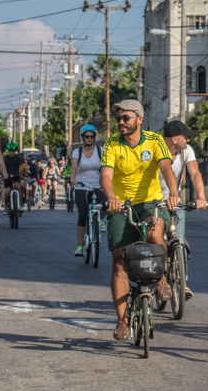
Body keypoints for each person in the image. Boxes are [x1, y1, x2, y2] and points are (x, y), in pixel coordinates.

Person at [99, 100, 180, 341]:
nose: (121, 122)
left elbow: (166, 168)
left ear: (139, 119)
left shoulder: (155, 141)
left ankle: (161, 278)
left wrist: (174, 194)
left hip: (150, 202)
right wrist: (111, 197)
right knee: (119, 260)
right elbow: (105, 174)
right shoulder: (112, 145)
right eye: (119, 118)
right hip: (121, 205)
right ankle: (122, 321)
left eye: (126, 117)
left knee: (156, 232)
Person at [160, 120, 208, 300]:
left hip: (176, 200)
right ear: (174, 139)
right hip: (154, 200)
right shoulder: (156, 150)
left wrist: (201, 196)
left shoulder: (186, 151)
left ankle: (183, 282)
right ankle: (158, 279)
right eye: (185, 136)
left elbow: (195, 173)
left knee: (179, 241)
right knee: (154, 239)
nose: (188, 139)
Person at [70, 124, 105, 257]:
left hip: (98, 185)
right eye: (87, 136)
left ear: (94, 137)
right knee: (83, 215)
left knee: (108, 203)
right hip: (82, 186)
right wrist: (73, 178)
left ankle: (100, 220)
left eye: (91, 136)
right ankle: (80, 246)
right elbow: (74, 167)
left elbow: (107, 168)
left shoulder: (100, 151)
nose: (89, 138)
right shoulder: (77, 152)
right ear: (83, 138)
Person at [2, 142, 24, 213]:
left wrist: (28, 171)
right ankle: (6, 206)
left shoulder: (19, 157)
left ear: (15, 151)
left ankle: (20, 205)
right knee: (7, 191)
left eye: (13, 151)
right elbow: (2, 167)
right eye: (10, 151)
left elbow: (24, 165)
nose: (12, 152)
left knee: (19, 187)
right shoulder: (5, 158)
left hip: (16, 176)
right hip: (7, 176)